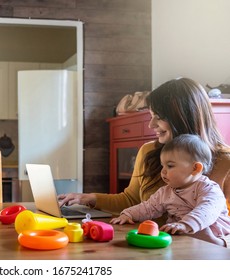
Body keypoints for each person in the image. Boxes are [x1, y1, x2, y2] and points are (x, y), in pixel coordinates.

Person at [58, 77, 230, 217]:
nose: (150, 125)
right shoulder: (149, 151)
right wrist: (89, 198)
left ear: (184, 117)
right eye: (151, 116)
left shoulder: (225, 163)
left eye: (159, 117)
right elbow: (131, 200)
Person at [109, 134, 230, 247]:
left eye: (170, 166)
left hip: (218, 240)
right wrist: (128, 214)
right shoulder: (165, 191)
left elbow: (207, 209)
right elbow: (148, 207)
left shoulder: (209, 188)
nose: (163, 171)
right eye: (163, 166)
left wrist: (185, 224)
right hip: (184, 240)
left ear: (195, 168)